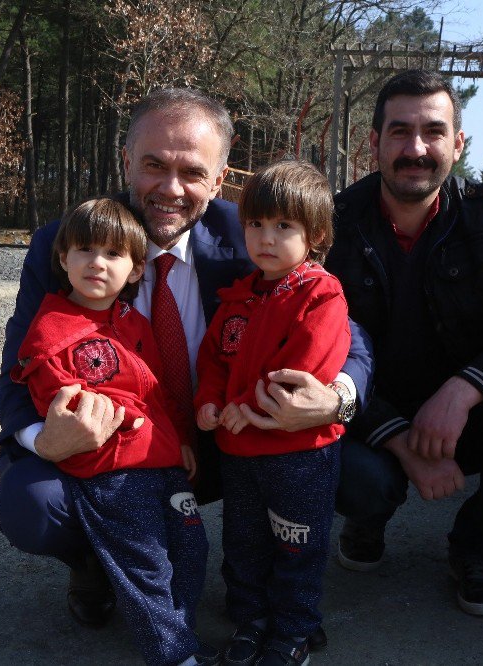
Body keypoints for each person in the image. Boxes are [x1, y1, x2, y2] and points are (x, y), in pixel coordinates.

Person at [0, 88, 373, 634]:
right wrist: (42, 439)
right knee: (34, 503)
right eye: (153, 165)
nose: (170, 189)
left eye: (192, 172)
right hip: (120, 448)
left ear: (219, 180)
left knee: (359, 477)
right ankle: (96, 564)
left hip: (226, 431)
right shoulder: (74, 243)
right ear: (126, 163)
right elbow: (14, 374)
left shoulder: (259, 239)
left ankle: (278, 591)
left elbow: (353, 342)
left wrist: (333, 399)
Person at [325, 69, 483, 616]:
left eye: (434, 132)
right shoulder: (333, 225)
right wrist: (396, 436)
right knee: (358, 477)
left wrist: (467, 389)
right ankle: (367, 520)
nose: (415, 148)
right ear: (373, 143)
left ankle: (478, 550)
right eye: (399, 131)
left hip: (464, 419)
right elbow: (316, 357)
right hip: (370, 419)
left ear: (458, 144)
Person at [13, 197, 211, 666]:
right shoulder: (53, 330)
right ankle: (172, 654)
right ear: (63, 259)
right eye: (84, 250)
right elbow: (71, 408)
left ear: (136, 270)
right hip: (116, 469)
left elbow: (158, 392)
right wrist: (139, 428)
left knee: (191, 545)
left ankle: (179, 629)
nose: (96, 263)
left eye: (113, 254)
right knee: (146, 561)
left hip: (162, 462)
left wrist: (179, 437)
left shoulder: (134, 324)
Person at [195, 160, 349, 666]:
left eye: (284, 226)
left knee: (296, 541)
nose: (266, 238)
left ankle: (296, 629)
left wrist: (243, 404)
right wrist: (211, 402)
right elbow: (214, 358)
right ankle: (251, 619)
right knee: (244, 540)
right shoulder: (238, 297)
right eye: (256, 224)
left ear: (316, 234)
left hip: (297, 451)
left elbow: (306, 365)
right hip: (239, 450)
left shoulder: (320, 293)